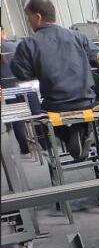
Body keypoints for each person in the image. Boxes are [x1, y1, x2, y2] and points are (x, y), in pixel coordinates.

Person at [10, 0, 99, 161]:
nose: (28, 21)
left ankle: (70, 136)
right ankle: (80, 131)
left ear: (38, 17)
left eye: (29, 17)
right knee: (90, 104)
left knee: (41, 113)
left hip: (55, 106)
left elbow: (21, 73)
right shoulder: (79, 37)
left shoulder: (28, 44)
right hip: (86, 101)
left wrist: (40, 66)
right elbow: (98, 59)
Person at [1, 27, 49, 156]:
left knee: (17, 120)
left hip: (9, 91)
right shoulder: (17, 45)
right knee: (37, 115)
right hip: (27, 86)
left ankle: (25, 149)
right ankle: (45, 145)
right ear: (3, 32)